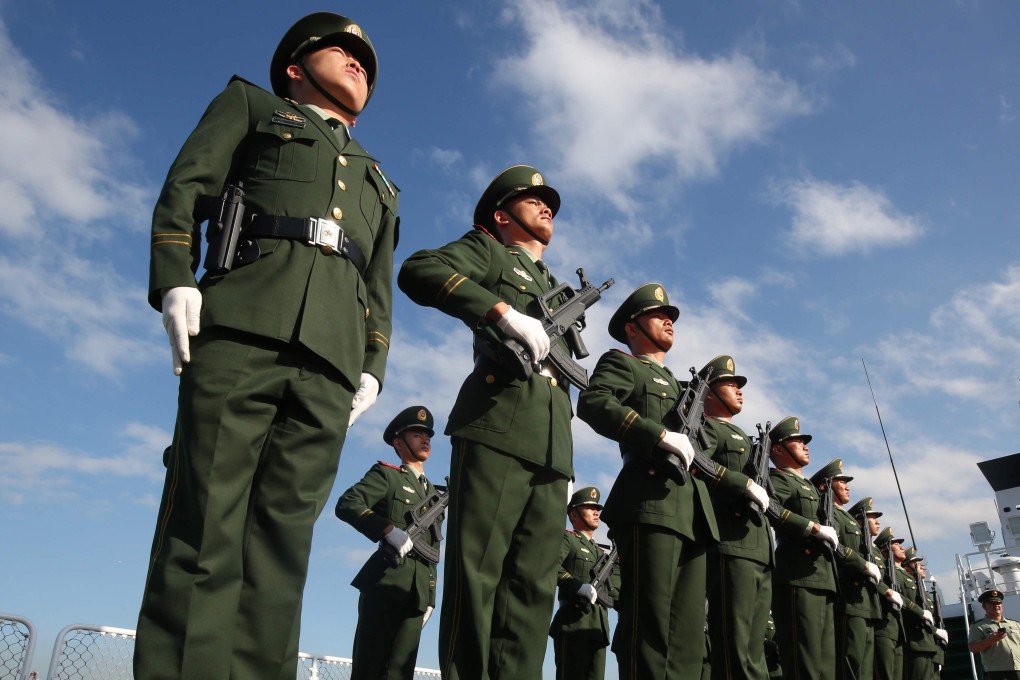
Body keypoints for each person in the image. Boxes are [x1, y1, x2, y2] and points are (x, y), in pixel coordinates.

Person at [135, 13, 398, 680]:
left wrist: (372, 367)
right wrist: (174, 276)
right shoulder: (251, 107)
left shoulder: (381, 183)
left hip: (330, 364)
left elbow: (378, 286)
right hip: (242, 328)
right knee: (207, 524)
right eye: (344, 52)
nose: (360, 64)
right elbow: (185, 188)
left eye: (368, 62)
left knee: (284, 546)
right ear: (294, 66)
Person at [398, 165, 574, 679]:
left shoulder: (554, 286)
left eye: (551, 203)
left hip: (550, 447)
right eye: (532, 198)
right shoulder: (489, 250)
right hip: (496, 424)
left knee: (533, 589)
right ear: (501, 214)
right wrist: (498, 310)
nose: (546, 207)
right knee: (479, 575)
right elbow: (419, 269)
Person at [576, 284, 767, 679]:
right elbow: (594, 404)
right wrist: (658, 435)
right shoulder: (624, 364)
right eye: (658, 314)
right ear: (632, 328)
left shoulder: (686, 393)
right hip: (651, 503)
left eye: (672, 317)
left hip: (694, 516)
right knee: (650, 626)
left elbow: (708, 452)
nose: (669, 321)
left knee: (687, 638)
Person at [335, 406, 443, 680]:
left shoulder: (434, 494)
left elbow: (433, 549)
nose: (425, 439)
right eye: (417, 434)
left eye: (427, 435)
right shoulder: (388, 475)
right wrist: (386, 529)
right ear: (399, 442)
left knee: (400, 673)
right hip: (385, 582)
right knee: (369, 667)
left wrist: (430, 597)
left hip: (417, 594)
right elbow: (348, 503)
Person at [697, 354, 774, 680]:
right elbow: (698, 462)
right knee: (735, 649)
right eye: (730, 384)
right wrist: (741, 483)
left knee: (755, 654)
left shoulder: (745, 437)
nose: (739, 390)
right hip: (731, 544)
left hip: (758, 550)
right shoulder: (708, 428)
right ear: (709, 393)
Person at [767, 424, 846, 679]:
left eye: (805, 442)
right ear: (778, 449)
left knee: (826, 665)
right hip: (798, 575)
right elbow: (770, 508)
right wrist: (811, 528)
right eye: (797, 441)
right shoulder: (779, 479)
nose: (805, 446)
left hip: (823, 578)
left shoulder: (812, 489)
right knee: (805, 662)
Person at [814, 463, 883, 680]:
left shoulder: (847, 519)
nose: (846, 486)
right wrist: (862, 565)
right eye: (841, 481)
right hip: (848, 596)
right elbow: (836, 546)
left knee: (864, 667)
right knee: (850, 661)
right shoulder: (829, 512)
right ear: (825, 486)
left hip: (862, 599)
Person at [549, 486, 620, 680]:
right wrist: (577, 586)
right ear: (574, 514)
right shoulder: (568, 539)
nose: (596, 512)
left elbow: (615, 592)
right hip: (573, 624)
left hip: (598, 630)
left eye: (597, 508)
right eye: (590, 508)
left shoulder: (601, 554)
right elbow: (549, 567)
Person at [902, 549, 945, 680]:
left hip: (931, 645)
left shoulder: (924, 592)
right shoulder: (910, 586)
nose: (922, 567)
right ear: (907, 567)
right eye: (916, 563)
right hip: (918, 642)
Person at [968, 589, 1020, 679]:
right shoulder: (978, 626)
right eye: (992, 603)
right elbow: (973, 648)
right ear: (984, 606)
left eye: (998, 603)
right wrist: (991, 640)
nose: (996, 606)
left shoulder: (1015, 624)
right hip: (997, 672)